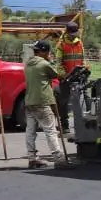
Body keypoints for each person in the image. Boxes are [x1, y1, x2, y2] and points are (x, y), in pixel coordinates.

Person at [23, 40, 73, 169]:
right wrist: (51, 61)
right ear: (44, 52)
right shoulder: (44, 64)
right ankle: (59, 158)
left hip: (29, 101)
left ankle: (32, 158)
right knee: (50, 130)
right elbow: (56, 75)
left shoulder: (27, 64)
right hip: (42, 101)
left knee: (30, 131)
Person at [55, 21, 85, 134]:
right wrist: (65, 76)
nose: (74, 35)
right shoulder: (61, 45)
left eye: (75, 33)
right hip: (65, 78)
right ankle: (65, 126)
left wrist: (83, 71)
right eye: (72, 33)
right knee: (63, 103)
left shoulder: (80, 43)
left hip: (78, 78)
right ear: (67, 33)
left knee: (79, 102)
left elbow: (82, 59)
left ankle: (80, 127)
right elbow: (58, 63)